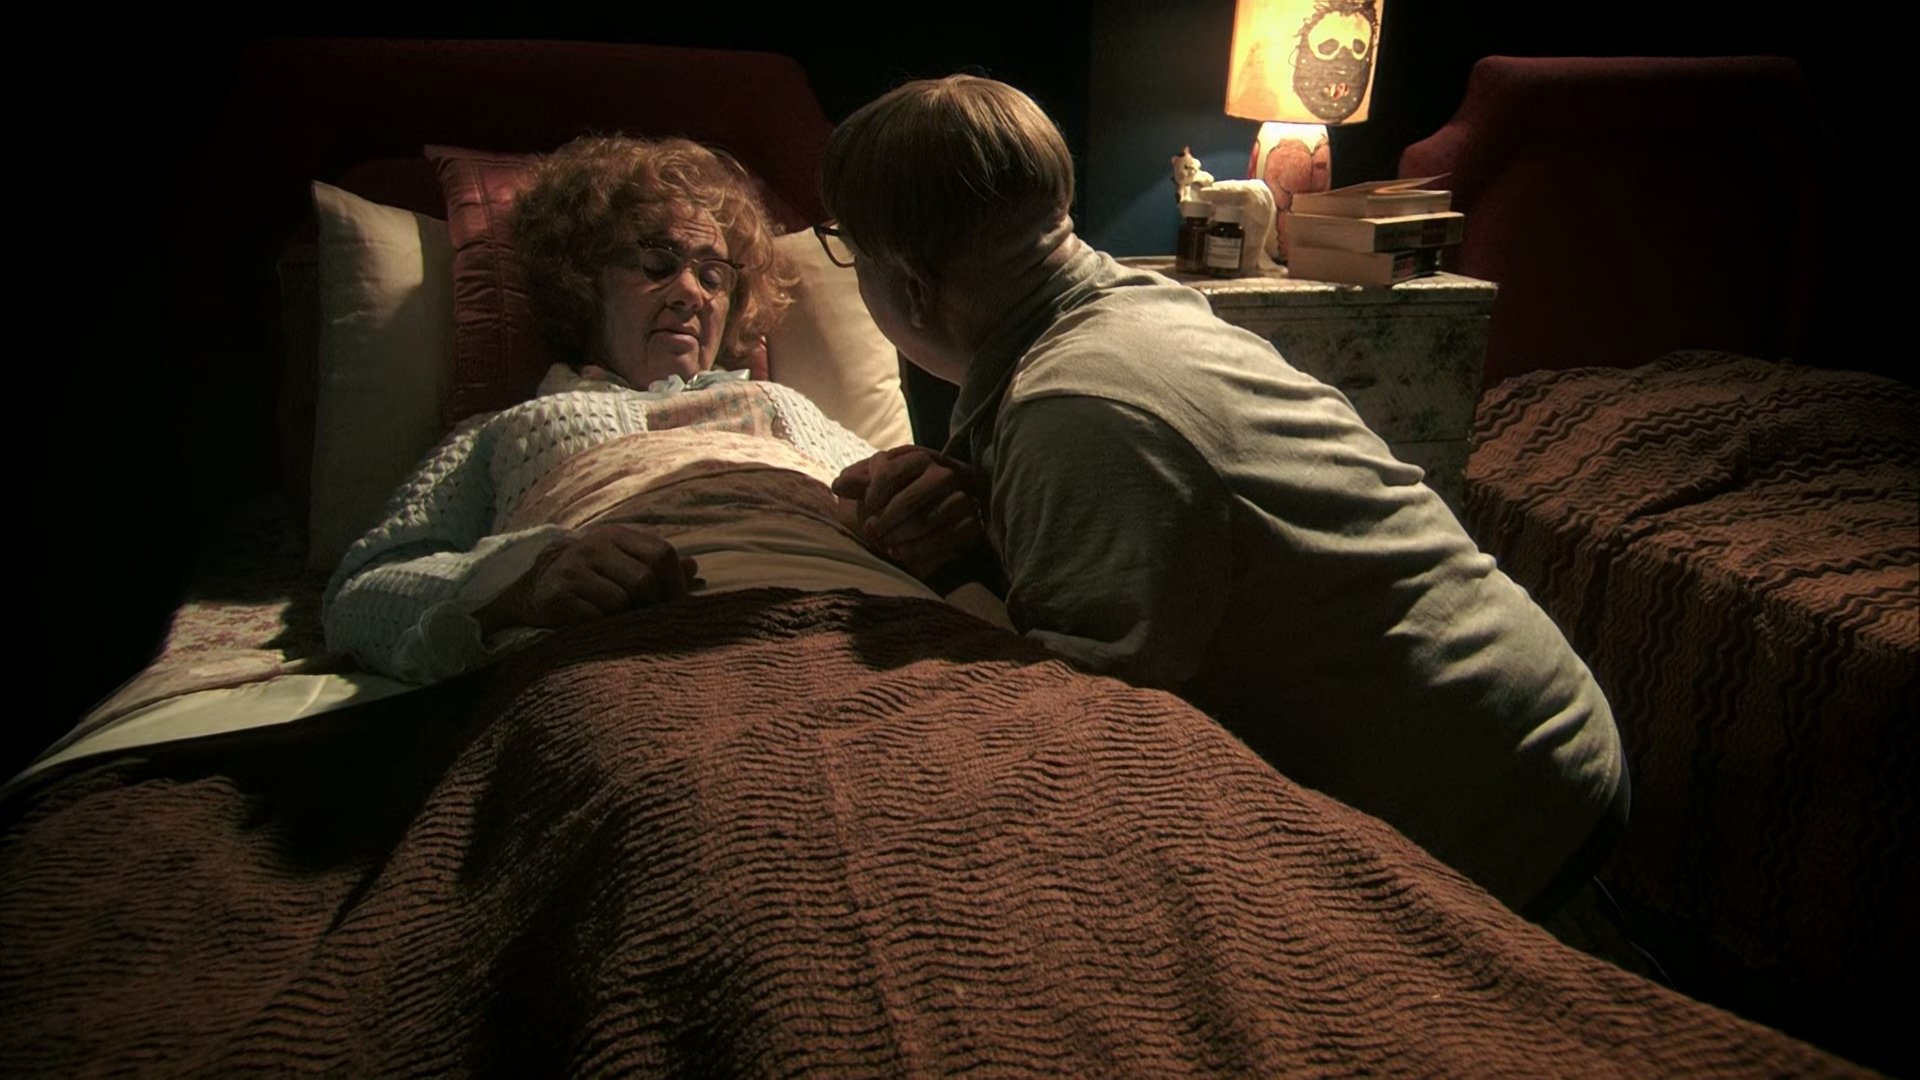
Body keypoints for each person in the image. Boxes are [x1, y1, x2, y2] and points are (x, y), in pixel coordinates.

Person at [821, 76, 1627, 915]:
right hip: (1513, 721)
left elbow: (1079, 731)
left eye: (848, 251)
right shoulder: (1130, 309)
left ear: (911, 284)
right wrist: (975, 497)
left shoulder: (1078, 412)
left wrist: (951, 576)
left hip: (1505, 793)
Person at [323, 135, 950, 684]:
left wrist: (926, 509)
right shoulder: (509, 431)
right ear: (582, 278)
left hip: (867, 634)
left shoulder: (785, 409)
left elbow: (913, 517)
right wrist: (522, 584)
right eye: (657, 263)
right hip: (624, 657)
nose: (691, 292)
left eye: (714, 276)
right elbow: (358, 600)